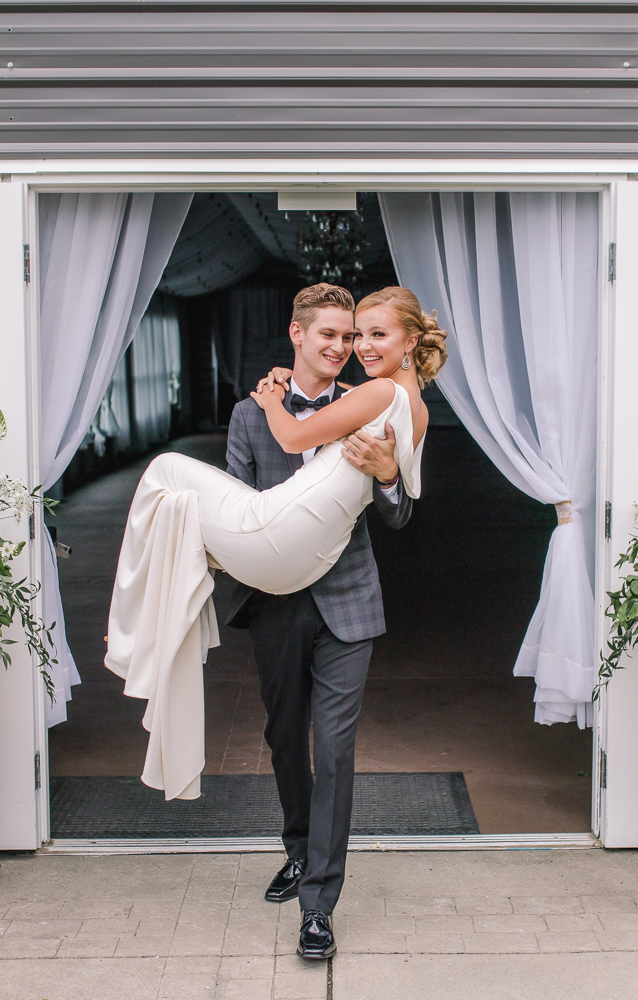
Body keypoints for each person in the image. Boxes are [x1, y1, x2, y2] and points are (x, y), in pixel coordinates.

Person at [105, 284, 448, 960]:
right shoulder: (247, 413)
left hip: (346, 602)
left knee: (337, 751)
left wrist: (384, 476)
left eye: (355, 337)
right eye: (334, 335)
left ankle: (319, 905)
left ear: (393, 341)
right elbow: (235, 494)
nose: (344, 347)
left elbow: (403, 509)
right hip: (276, 596)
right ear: (296, 335)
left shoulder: (370, 397)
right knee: (286, 740)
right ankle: (297, 851)